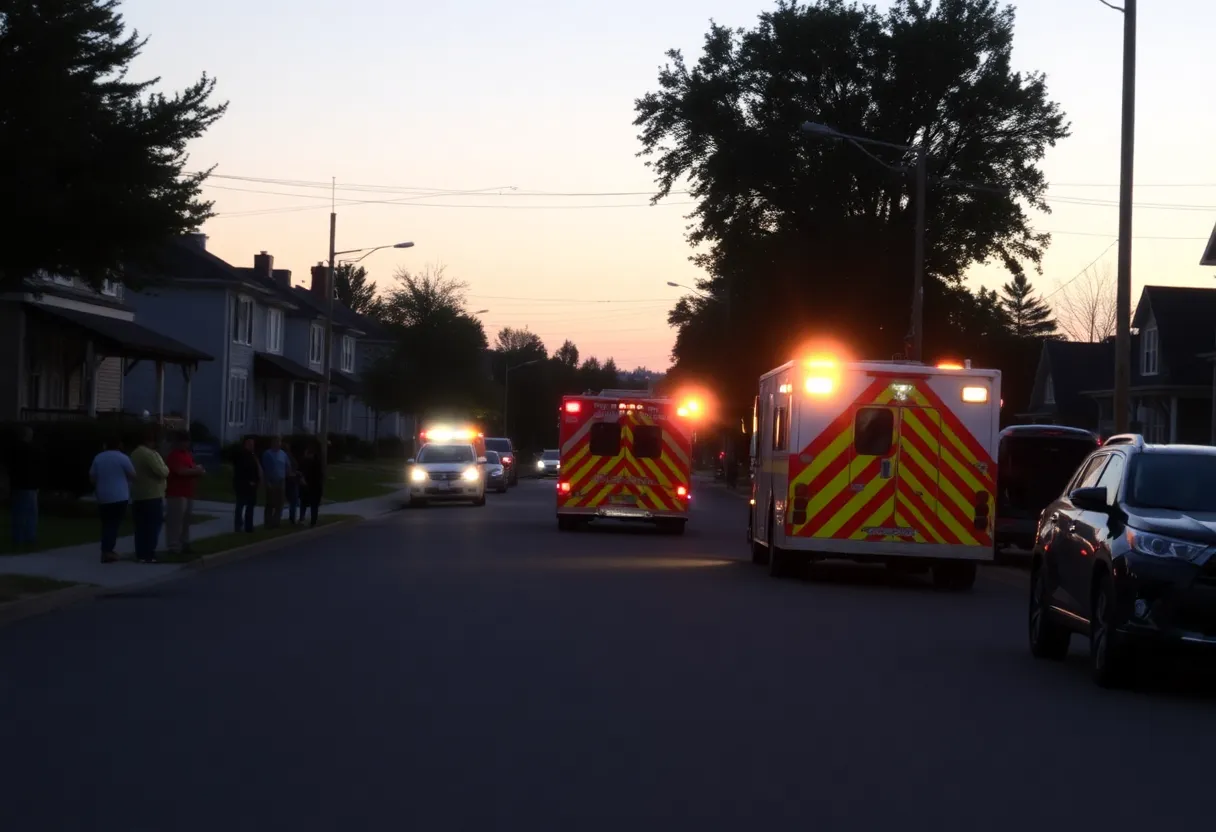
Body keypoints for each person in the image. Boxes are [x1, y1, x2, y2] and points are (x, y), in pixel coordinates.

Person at [89, 437, 135, 563]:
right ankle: (107, 551)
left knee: (106, 523)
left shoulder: (99, 457)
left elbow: (92, 477)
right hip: (119, 495)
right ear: (119, 445)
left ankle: (107, 549)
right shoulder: (122, 458)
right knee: (113, 524)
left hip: (102, 495)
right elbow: (132, 475)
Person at [129, 428, 169, 563]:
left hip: (138, 494)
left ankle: (140, 553)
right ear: (150, 441)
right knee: (153, 526)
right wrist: (163, 464)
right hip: (152, 495)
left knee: (140, 527)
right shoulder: (150, 454)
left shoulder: (134, 454)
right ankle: (149, 553)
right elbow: (163, 471)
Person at [164, 431, 205, 555]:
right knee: (175, 521)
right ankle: (173, 546)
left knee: (186, 520)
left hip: (188, 492)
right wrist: (196, 471)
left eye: (187, 441)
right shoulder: (174, 455)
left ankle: (184, 543)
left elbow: (191, 467)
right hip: (176, 493)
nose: (186, 444)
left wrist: (197, 470)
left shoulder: (187, 454)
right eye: (184, 441)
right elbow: (180, 471)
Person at [7, 426, 41, 548]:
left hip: (17, 485)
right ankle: (30, 537)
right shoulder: (31, 450)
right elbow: (35, 468)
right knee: (30, 513)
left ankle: (17, 538)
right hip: (29, 485)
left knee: (18, 512)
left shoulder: (13, 450)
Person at [231, 436, 262, 533]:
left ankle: (249, 526)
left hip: (252, 485)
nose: (252, 446)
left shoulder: (253, 456)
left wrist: (256, 481)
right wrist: (249, 481)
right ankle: (238, 525)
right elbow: (241, 471)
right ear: (245, 445)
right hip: (243, 485)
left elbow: (256, 469)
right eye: (250, 444)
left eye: (252, 444)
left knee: (250, 506)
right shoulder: (241, 456)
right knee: (240, 505)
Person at [261, 435, 289, 528]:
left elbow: (287, 466)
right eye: (276, 442)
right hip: (271, 481)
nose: (278, 444)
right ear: (272, 443)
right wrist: (266, 481)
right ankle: (268, 522)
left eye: (279, 442)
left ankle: (276, 522)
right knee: (270, 503)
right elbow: (265, 469)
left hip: (281, 480)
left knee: (280, 503)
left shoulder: (283, 454)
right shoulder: (267, 454)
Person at [297, 444, 325, 527]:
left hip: (309, 486)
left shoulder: (307, 462)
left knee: (305, 503)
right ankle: (313, 520)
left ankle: (304, 519)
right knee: (313, 505)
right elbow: (320, 475)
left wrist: (303, 479)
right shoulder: (317, 462)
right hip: (315, 486)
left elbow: (302, 472)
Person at [284, 445, 301, 524]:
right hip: (291, 480)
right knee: (293, 501)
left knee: (293, 501)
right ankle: (292, 518)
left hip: (292, 480)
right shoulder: (287, 457)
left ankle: (292, 517)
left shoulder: (287, 456)